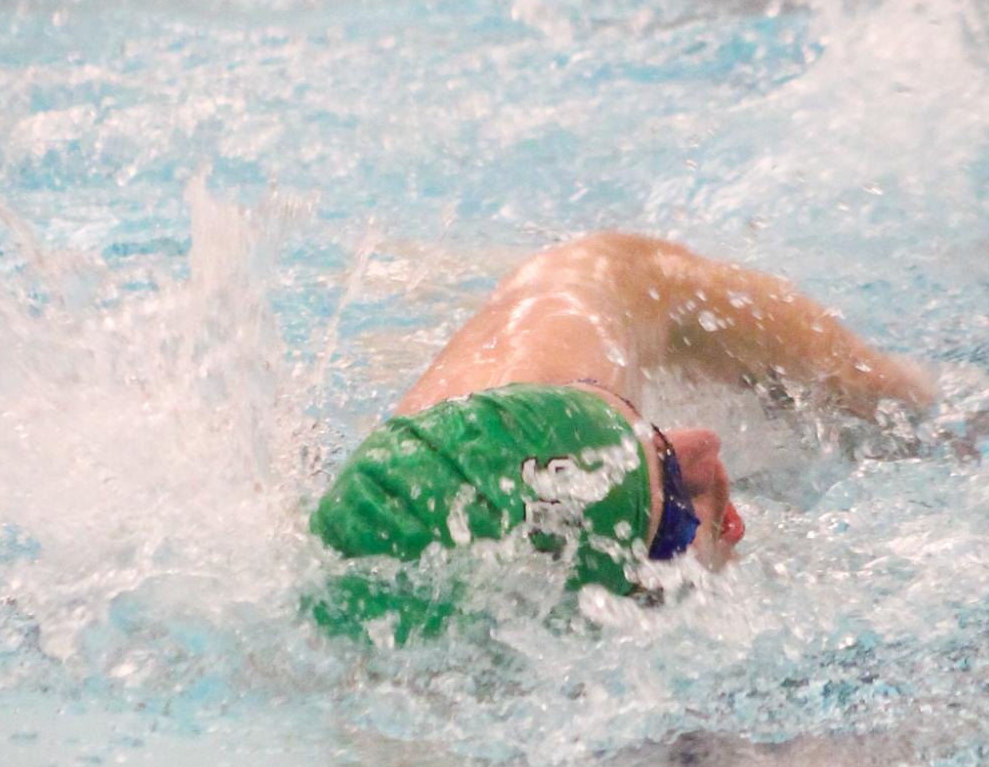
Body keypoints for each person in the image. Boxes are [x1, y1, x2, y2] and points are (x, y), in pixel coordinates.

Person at [307, 231, 935, 643]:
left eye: (649, 429)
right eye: (680, 517)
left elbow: (614, 270)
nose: (704, 448)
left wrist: (887, 394)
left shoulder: (549, 354)